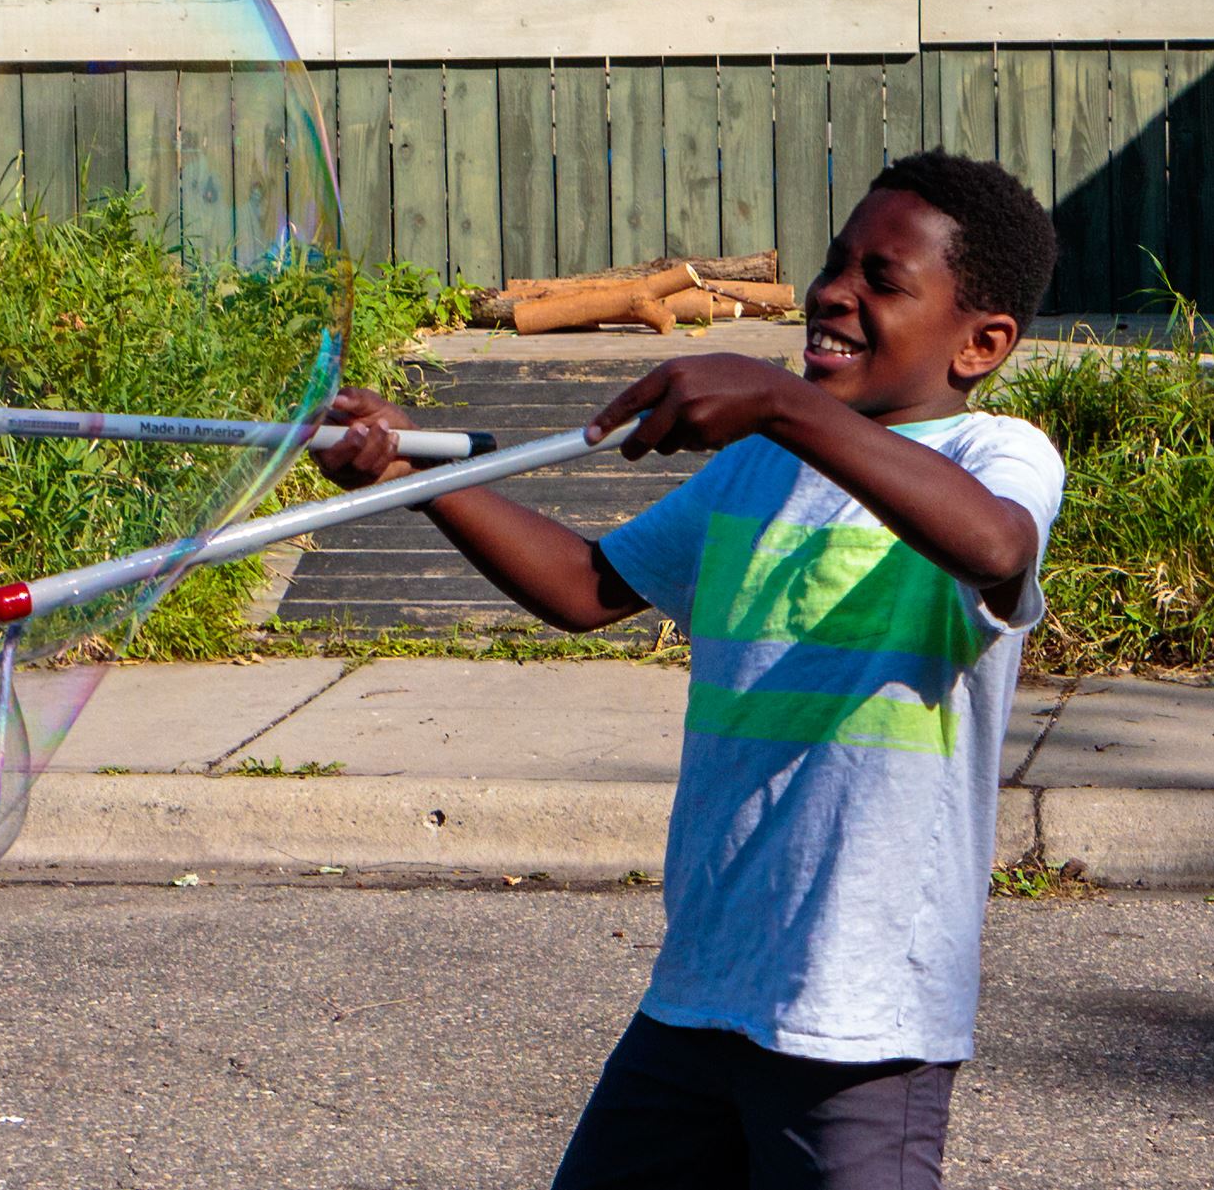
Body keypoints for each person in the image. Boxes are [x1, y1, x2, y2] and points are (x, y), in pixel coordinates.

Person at [317, 151, 1065, 1190]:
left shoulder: (997, 455)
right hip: (700, 993)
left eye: (881, 280)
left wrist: (777, 400)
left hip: (859, 1023)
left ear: (980, 342)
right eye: (834, 262)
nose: (832, 293)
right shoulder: (761, 466)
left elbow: (992, 545)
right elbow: (588, 585)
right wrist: (411, 472)